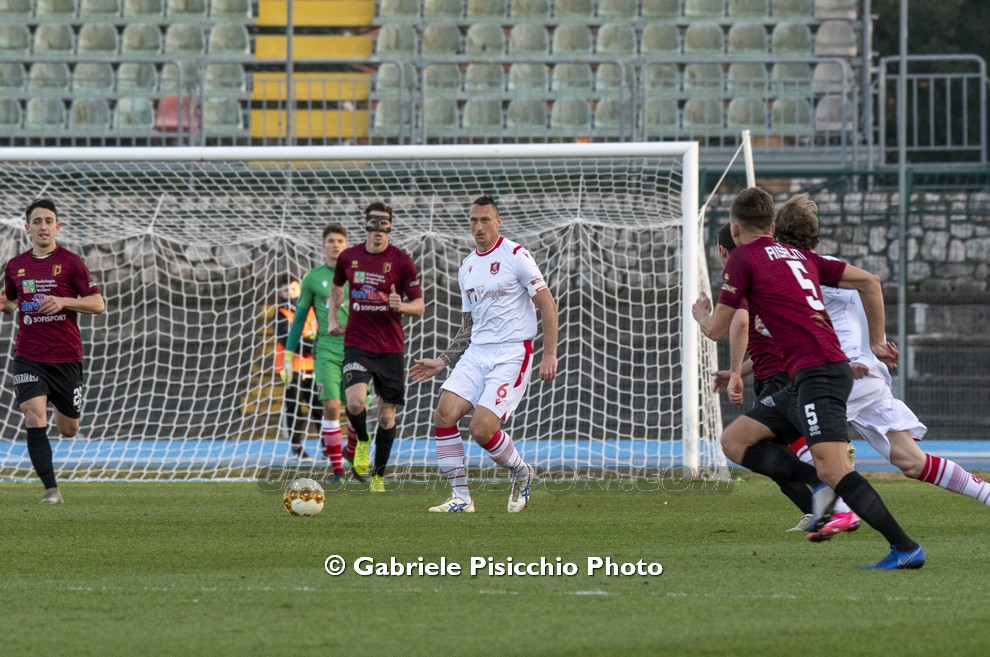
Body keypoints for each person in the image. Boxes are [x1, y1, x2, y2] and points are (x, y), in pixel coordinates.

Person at [692, 187, 925, 569]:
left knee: (833, 468)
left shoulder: (743, 258)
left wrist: (702, 314)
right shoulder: (801, 256)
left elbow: (717, 329)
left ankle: (905, 547)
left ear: (735, 230)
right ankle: (821, 491)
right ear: (772, 226)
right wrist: (876, 341)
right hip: (812, 374)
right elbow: (870, 281)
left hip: (819, 375)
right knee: (735, 441)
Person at [774, 193, 990, 510]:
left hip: (846, 375)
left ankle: (841, 508)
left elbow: (868, 286)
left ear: (777, 237)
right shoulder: (821, 269)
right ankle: (986, 493)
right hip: (865, 377)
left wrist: (869, 348)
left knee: (779, 429)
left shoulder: (811, 271)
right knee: (911, 462)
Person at [409, 195, 558, 513]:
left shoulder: (516, 255)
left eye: (485, 220)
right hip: (477, 352)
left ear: (498, 221)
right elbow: (468, 325)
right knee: (444, 414)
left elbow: (547, 304)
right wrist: (443, 361)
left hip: (512, 353)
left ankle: (521, 472)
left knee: (481, 428)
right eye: (474, 220)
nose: (479, 226)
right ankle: (461, 498)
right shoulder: (467, 266)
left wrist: (550, 355)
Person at [711, 223, 860, 537]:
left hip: (780, 376)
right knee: (783, 450)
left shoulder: (741, 273)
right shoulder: (769, 270)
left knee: (773, 450)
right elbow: (768, 340)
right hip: (782, 371)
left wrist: (734, 371)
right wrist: (739, 372)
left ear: (724, 250)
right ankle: (827, 507)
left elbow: (739, 323)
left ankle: (836, 504)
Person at [1, 198, 106, 504]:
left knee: (69, 429)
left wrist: (64, 301)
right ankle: (51, 490)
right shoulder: (16, 265)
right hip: (29, 356)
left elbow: (98, 303)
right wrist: (5, 305)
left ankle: (65, 422)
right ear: (27, 228)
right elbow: (11, 302)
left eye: (48, 221)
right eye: (37, 221)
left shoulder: (71, 262)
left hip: (66, 357)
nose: (43, 226)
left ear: (57, 226)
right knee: (33, 416)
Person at [329, 202, 424, 491]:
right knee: (355, 402)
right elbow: (337, 286)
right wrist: (333, 317)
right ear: (366, 224)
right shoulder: (349, 257)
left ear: (391, 226)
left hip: (390, 348)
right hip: (357, 342)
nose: (379, 229)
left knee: (386, 415)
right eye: (374, 222)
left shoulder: (402, 261)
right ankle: (362, 440)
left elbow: (419, 307)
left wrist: (401, 306)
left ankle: (379, 476)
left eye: (385, 224)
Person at [281, 223, 356, 482]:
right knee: (330, 405)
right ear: (323, 246)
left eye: (340, 241)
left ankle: (353, 456)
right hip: (325, 350)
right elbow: (299, 320)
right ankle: (337, 470)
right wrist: (288, 358)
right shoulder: (312, 278)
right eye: (331, 241)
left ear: (346, 245)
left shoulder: (358, 275)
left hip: (357, 349)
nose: (335, 245)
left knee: (357, 408)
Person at [274, 275, 319, 463]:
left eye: (293, 289)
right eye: (285, 290)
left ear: (300, 289)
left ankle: (327, 447)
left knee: (319, 406)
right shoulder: (282, 312)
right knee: (294, 408)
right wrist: (312, 347)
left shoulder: (312, 309)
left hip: (312, 366)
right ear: (280, 293)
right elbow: (287, 339)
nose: (290, 293)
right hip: (291, 367)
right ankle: (297, 447)